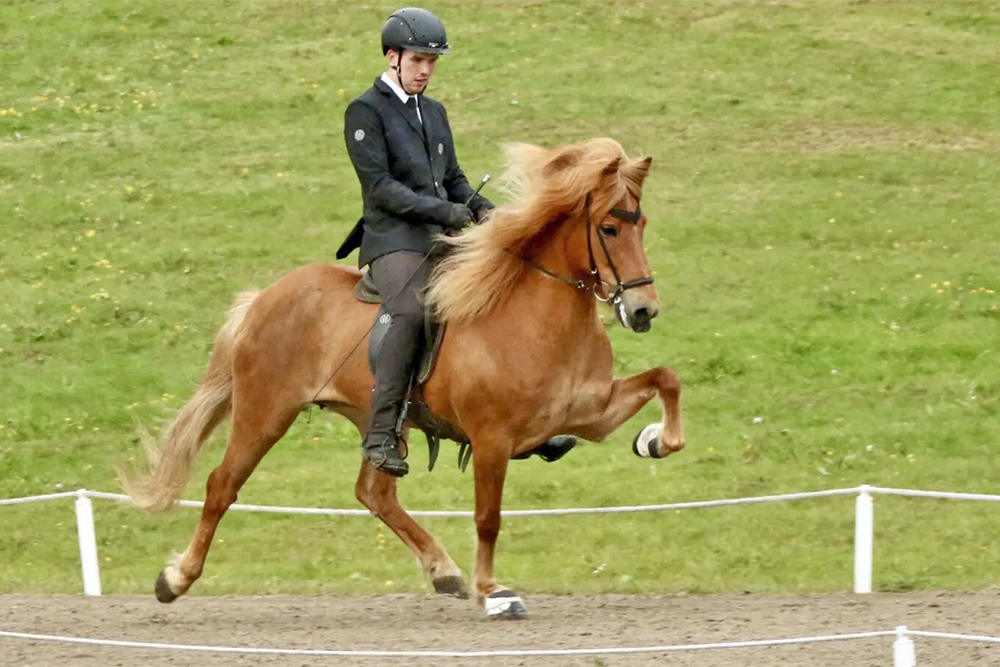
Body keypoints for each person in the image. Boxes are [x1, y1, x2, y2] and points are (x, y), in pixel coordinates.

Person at [340, 8, 575, 477]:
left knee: (500, 292)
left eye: (432, 61)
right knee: (410, 309)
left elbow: (453, 179)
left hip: (438, 237)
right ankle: (383, 431)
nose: (426, 69)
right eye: (418, 60)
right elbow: (381, 188)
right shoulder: (365, 112)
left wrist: (488, 212)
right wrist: (444, 211)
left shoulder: (435, 112)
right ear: (393, 57)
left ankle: (523, 421)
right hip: (392, 241)